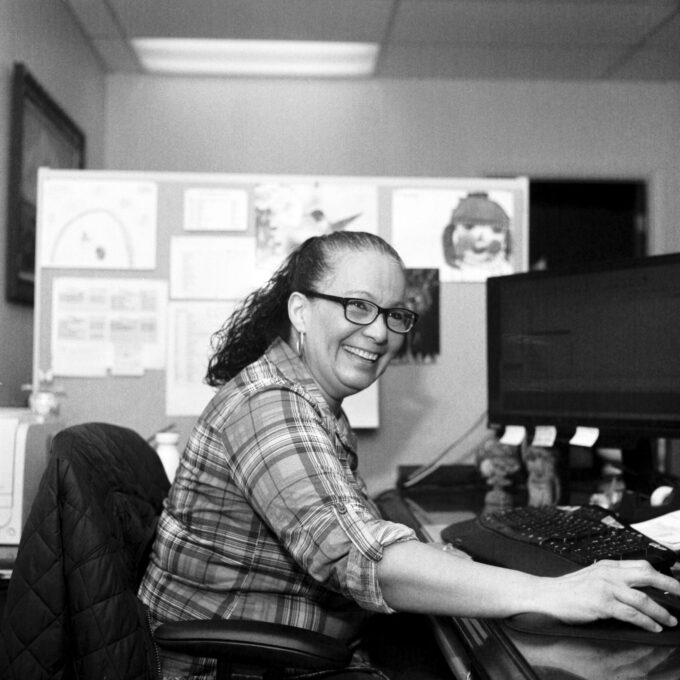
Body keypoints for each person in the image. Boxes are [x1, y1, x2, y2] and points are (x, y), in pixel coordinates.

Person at [138, 231, 680, 680]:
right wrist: (556, 591)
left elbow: (347, 532)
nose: (378, 332)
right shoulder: (271, 405)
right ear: (300, 311)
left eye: (394, 314)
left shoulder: (301, 395)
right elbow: (357, 556)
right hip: (232, 669)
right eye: (358, 306)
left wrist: (445, 561)